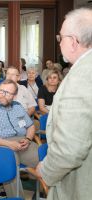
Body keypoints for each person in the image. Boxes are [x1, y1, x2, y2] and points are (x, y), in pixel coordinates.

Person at [36, 8, 92, 200]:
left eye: (61, 38)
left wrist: (46, 171)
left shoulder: (81, 76)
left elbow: (71, 149)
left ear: (74, 42)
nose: (59, 43)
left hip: (80, 185)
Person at [0, 79, 38, 197]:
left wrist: (28, 139)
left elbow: (30, 127)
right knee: (10, 164)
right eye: (1, 91)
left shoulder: (18, 106)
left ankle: (51, 193)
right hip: (1, 144)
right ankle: (16, 198)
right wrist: (8, 144)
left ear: (14, 96)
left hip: (23, 141)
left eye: (8, 93)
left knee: (47, 159)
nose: (3, 95)